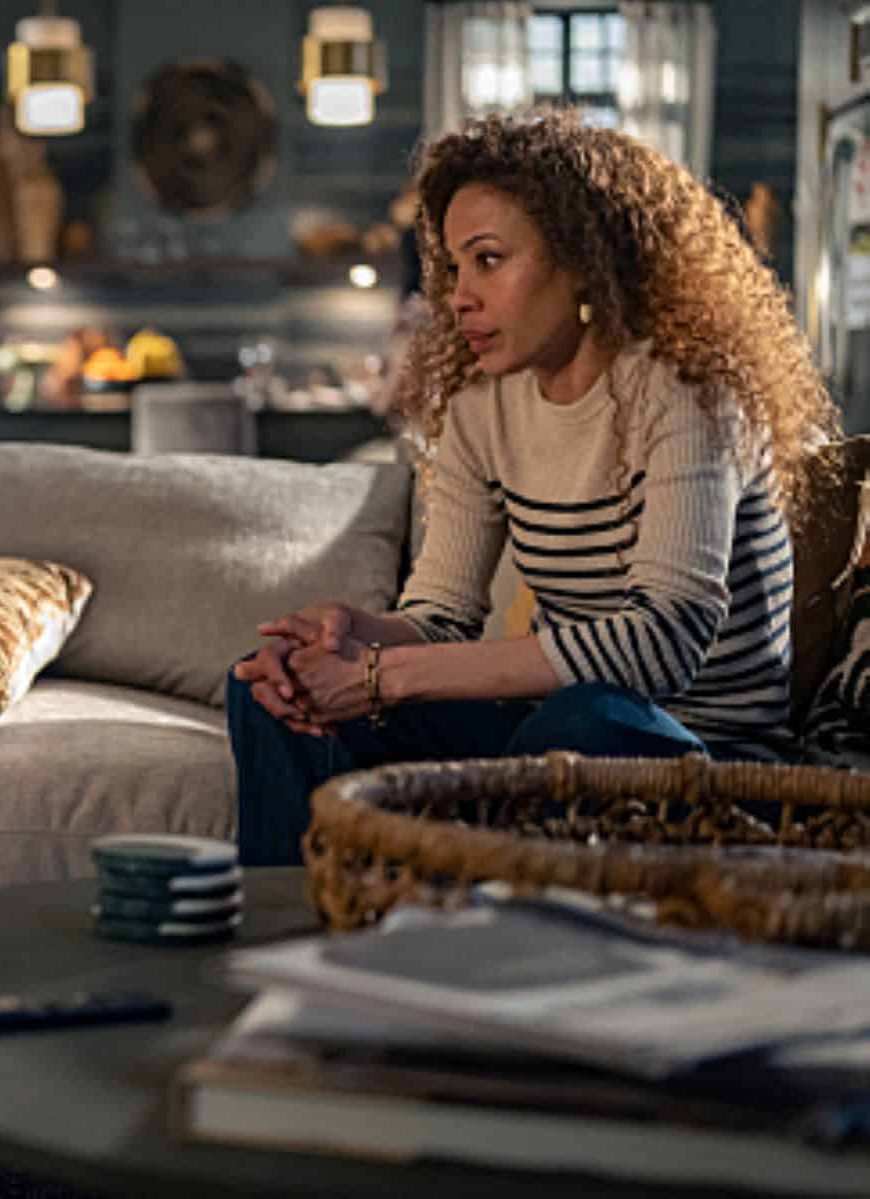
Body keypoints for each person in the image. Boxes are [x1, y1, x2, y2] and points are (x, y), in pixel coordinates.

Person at [228, 109, 841, 867]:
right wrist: (355, 637)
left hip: (709, 761)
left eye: (488, 260)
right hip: (552, 737)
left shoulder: (688, 392)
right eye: (453, 267)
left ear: (583, 259)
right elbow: (442, 614)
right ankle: (298, 937)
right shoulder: (480, 406)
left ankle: (483, 931)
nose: (458, 296)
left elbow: (663, 643)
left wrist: (387, 679)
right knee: (265, 689)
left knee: (584, 720)